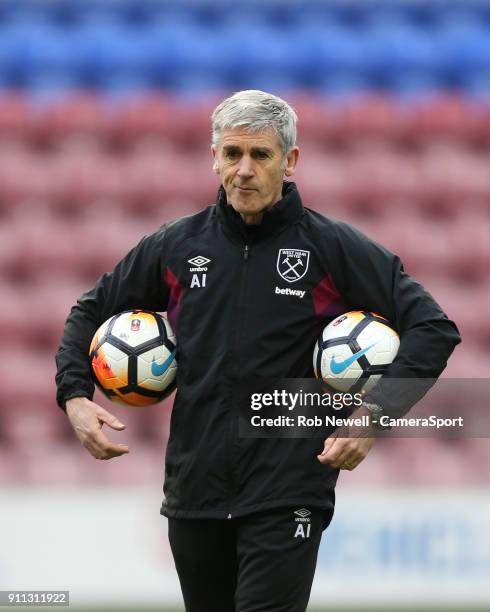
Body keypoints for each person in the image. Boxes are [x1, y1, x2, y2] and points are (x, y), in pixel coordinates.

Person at [55, 90, 461, 612]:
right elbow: (89, 311)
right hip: (194, 493)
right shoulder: (177, 246)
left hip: (288, 491)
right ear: (214, 157)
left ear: (289, 161)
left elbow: (434, 326)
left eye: (260, 155)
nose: (243, 170)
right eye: (231, 154)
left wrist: (372, 415)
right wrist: (74, 395)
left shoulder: (329, 248)